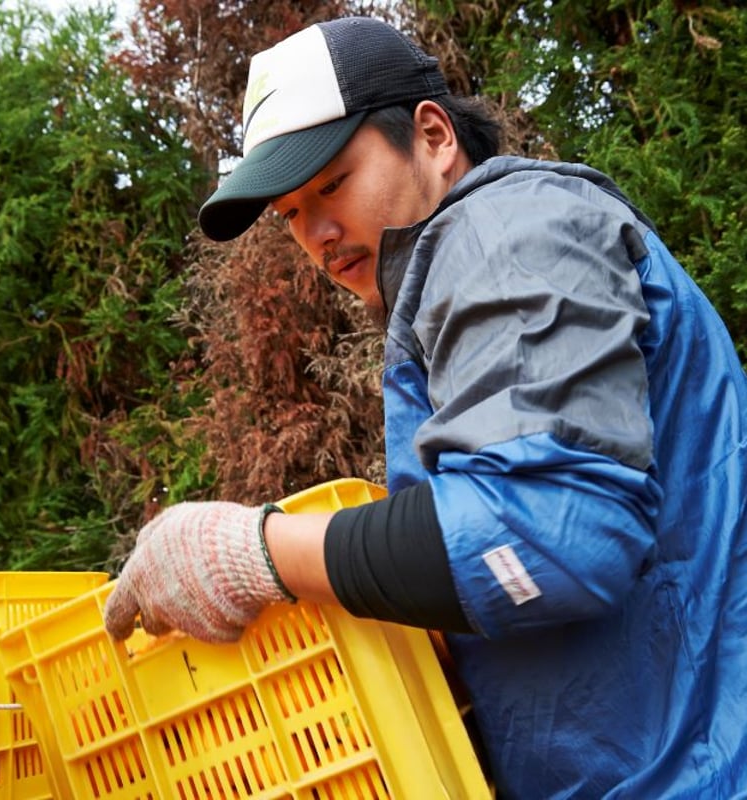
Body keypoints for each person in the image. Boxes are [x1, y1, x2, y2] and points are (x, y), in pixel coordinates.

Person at [103, 16, 747, 799]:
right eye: (292, 214)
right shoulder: (456, 281)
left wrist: (259, 553)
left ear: (434, 136)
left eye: (333, 183)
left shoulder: (505, 233)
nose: (319, 235)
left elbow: (544, 535)